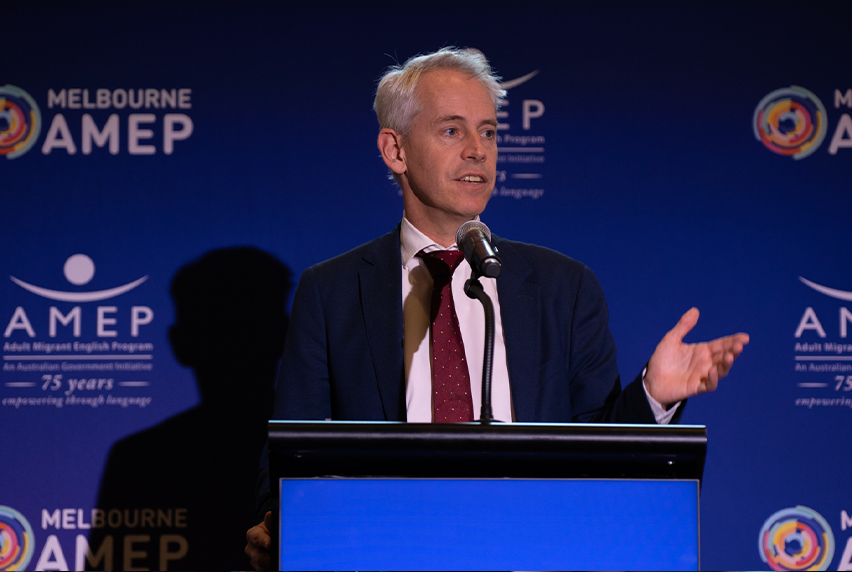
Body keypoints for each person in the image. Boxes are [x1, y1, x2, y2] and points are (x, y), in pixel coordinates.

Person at [245, 47, 749, 570]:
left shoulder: (564, 287)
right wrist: (275, 525)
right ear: (395, 150)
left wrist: (654, 395)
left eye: (487, 132)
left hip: (535, 554)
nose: (477, 151)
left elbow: (603, 454)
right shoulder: (332, 291)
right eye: (452, 130)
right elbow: (288, 452)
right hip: (386, 552)